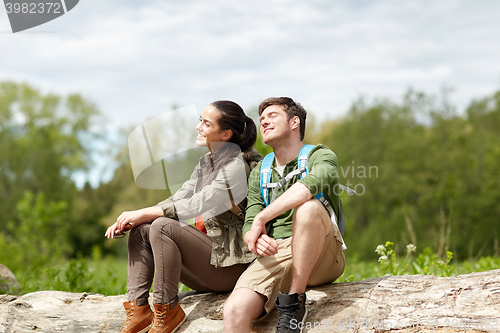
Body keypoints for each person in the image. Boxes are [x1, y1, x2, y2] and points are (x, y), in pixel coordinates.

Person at [105, 100, 261, 333]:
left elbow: (200, 202)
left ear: (225, 133)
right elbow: (178, 198)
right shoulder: (206, 164)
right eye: (200, 120)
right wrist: (138, 217)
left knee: (162, 226)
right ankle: (139, 310)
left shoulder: (239, 165)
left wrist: (146, 213)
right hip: (210, 266)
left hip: (234, 268)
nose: (198, 127)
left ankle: (167, 310)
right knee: (143, 230)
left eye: (206, 124)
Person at [223, 97, 346, 333]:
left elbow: (308, 186)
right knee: (234, 311)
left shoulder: (320, 155)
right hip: (278, 252)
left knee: (307, 207)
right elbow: (250, 220)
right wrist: (255, 238)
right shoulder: (260, 171)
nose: (264, 122)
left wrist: (262, 219)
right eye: (261, 119)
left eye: (272, 116)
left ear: (294, 122)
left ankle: (294, 303)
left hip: (323, 253)